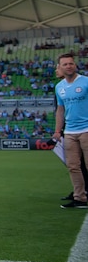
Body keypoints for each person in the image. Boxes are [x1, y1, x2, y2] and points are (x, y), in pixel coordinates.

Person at [53, 53, 88, 209]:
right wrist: (57, 131)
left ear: (75, 65)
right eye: (65, 64)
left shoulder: (85, 82)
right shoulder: (59, 87)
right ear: (60, 67)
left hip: (86, 129)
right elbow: (60, 110)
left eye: (71, 63)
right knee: (73, 166)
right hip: (70, 132)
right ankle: (80, 198)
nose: (68, 66)